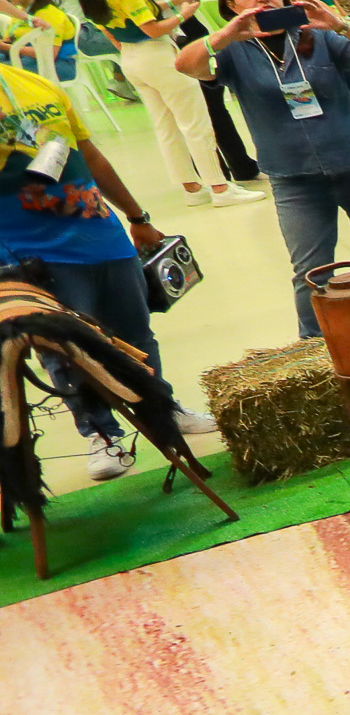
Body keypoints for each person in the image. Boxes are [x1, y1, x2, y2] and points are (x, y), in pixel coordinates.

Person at [0, 54, 218, 477]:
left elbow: (89, 155)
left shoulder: (38, 85)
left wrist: (137, 217)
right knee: (63, 349)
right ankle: (101, 435)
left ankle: (162, 410)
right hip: (33, 254)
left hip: (102, 237)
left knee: (136, 335)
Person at [170, 0, 350, 343]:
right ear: (230, 5)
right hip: (294, 179)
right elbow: (185, 65)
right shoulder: (233, 50)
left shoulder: (318, 35)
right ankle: (315, 348)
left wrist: (340, 25)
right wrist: (226, 35)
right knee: (311, 273)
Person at [79, 0, 247, 207]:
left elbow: (113, 25)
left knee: (165, 126)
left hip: (131, 57)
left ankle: (192, 188)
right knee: (195, 122)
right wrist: (184, 14)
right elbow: (152, 28)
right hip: (156, 54)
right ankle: (220, 188)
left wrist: (168, 3)